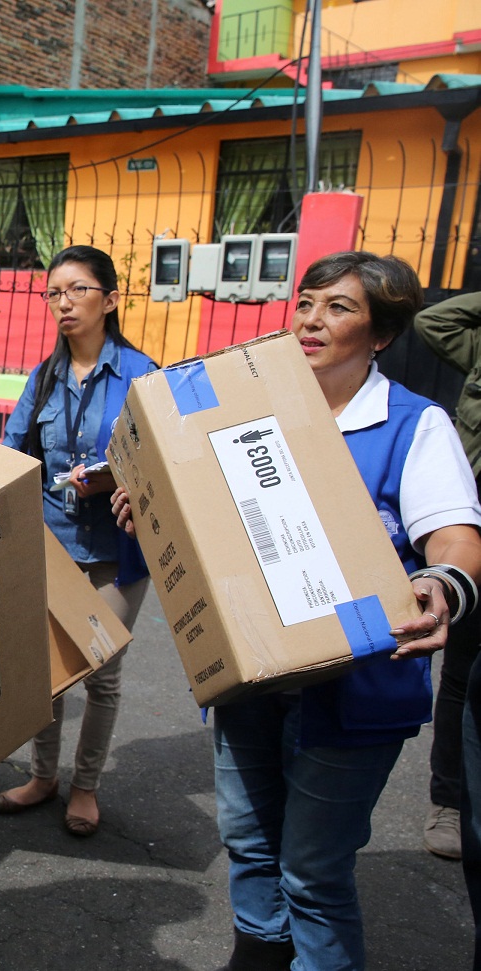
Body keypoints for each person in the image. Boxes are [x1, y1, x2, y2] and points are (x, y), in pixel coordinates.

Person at [114, 252, 481, 971]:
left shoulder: (413, 424)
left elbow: (457, 538)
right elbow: (210, 526)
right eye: (307, 302)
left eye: (339, 307)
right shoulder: (250, 413)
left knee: (312, 873)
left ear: (379, 334)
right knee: (249, 844)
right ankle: (256, 956)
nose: (313, 320)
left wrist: (441, 582)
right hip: (252, 676)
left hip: (355, 689)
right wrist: (151, 507)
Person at [0, 244, 156, 838]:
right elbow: (14, 452)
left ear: (110, 300)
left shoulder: (143, 375)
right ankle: (43, 776)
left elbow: (164, 464)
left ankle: (85, 786)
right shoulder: (44, 376)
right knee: (46, 665)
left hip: (118, 550)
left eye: (77, 290)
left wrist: (120, 478)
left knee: (101, 670)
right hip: (49, 541)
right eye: (54, 293)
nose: (63, 303)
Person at [413, 290, 481, 861]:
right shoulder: (477, 343)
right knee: (461, 678)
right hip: (466, 532)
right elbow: (436, 319)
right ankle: (451, 800)